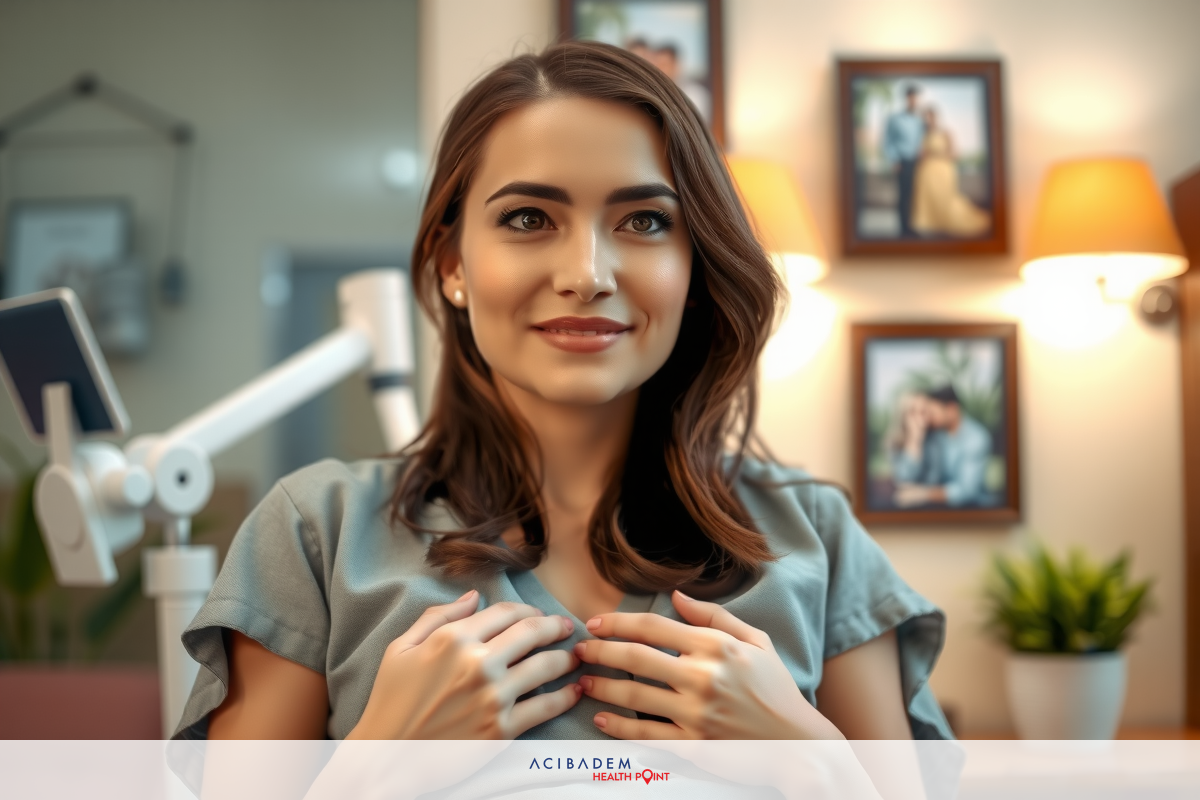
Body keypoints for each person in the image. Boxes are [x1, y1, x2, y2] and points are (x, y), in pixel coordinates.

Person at [174, 41, 952, 744]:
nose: (587, 274)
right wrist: (378, 764)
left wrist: (809, 758)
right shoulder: (315, 537)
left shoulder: (819, 536)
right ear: (452, 262)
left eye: (645, 221)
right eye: (527, 218)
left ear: (696, 266)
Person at [891, 386, 994, 508]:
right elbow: (906, 480)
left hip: (976, 510)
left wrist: (922, 494)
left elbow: (967, 491)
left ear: (951, 409)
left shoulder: (976, 438)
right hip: (943, 512)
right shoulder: (935, 435)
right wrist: (915, 440)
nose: (927, 419)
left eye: (932, 413)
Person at [910, 106, 991, 238]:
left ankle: (947, 223)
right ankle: (932, 225)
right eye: (925, 118)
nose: (928, 120)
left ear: (935, 117)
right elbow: (921, 154)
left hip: (943, 170)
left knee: (945, 197)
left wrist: (937, 156)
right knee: (930, 198)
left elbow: (955, 154)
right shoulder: (924, 135)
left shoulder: (946, 132)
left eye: (930, 117)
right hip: (927, 171)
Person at [882, 84, 925, 237]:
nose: (913, 100)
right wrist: (894, 160)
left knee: (916, 195)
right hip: (902, 161)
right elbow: (888, 141)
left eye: (916, 98)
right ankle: (903, 229)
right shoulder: (894, 118)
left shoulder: (920, 120)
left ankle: (913, 226)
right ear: (906, 98)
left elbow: (923, 139)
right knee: (904, 195)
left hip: (918, 162)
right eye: (911, 97)